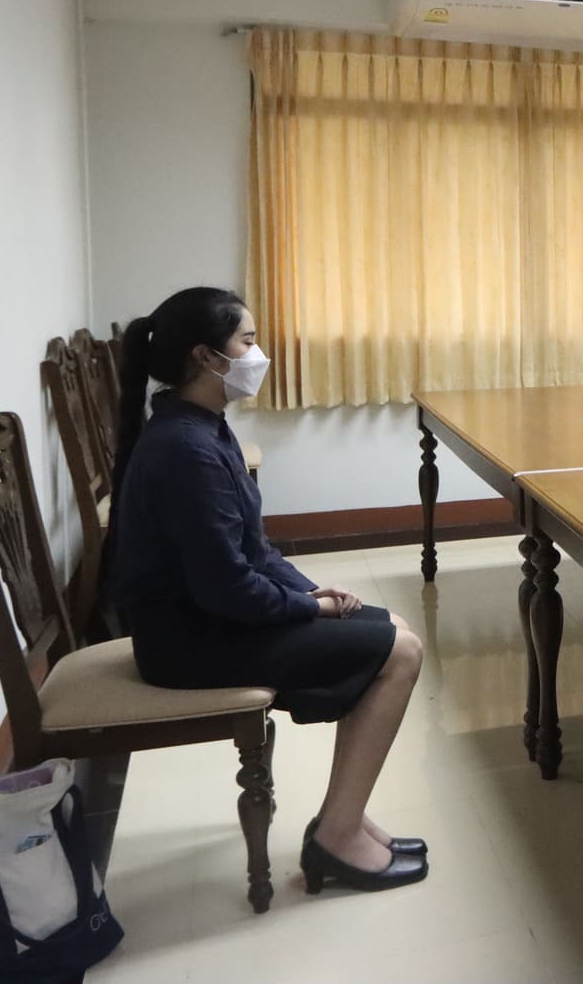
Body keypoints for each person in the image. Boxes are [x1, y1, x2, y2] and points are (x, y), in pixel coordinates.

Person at [110, 287, 429, 894]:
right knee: (401, 651)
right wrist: (311, 608)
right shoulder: (186, 450)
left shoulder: (200, 426)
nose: (259, 354)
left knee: (394, 628)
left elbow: (252, 551)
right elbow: (228, 589)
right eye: (248, 341)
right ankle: (337, 839)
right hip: (189, 643)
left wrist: (314, 591)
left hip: (207, 621)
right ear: (206, 356)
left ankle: (343, 816)